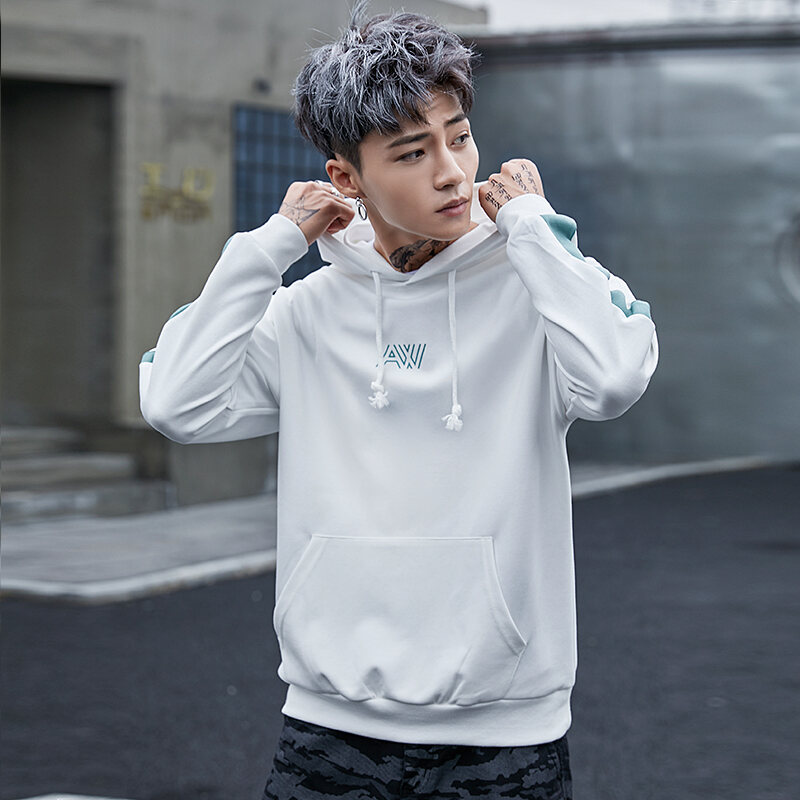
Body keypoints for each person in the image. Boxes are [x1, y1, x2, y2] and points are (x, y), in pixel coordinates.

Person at [139, 4, 658, 798]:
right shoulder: (308, 313)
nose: (452, 171)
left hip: (505, 735)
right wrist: (271, 246)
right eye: (413, 152)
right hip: (326, 729)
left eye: (460, 137)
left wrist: (531, 226)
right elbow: (176, 403)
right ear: (347, 177)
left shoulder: (537, 290)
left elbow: (615, 378)